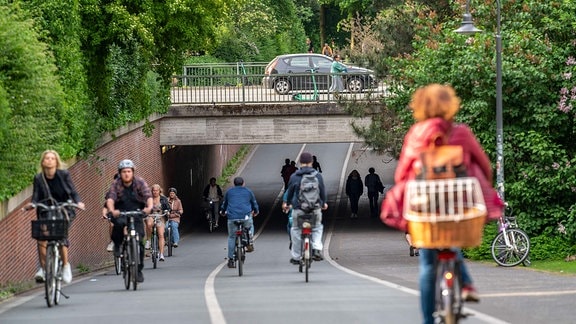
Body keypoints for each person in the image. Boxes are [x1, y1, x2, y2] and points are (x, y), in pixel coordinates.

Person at [380, 84, 503, 324]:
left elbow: (401, 175)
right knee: (451, 237)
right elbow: (483, 165)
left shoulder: (416, 134)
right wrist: (483, 189)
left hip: (425, 207)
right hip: (459, 205)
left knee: (427, 262)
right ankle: (466, 284)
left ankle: (428, 320)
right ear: (450, 105)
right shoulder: (462, 133)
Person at [28, 150, 85, 284]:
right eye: (46, 158)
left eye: (52, 158)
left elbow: (72, 191)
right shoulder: (38, 178)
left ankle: (65, 266)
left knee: (61, 236)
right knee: (41, 240)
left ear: (56, 161)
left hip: (63, 209)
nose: (49, 160)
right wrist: (32, 204)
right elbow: (36, 196)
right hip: (46, 210)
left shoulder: (63, 175)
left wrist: (78, 202)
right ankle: (43, 269)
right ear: (43, 162)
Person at [106, 159, 153, 283]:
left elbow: (148, 196)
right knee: (117, 227)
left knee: (140, 241)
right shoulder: (116, 184)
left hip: (137, 211)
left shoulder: (140, 182)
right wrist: (112, 210)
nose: (126, 174)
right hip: (121, 211)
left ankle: (138, 269)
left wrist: (149, 208)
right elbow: (110, 198)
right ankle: (117, 245)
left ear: (133, 172)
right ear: (120, 173)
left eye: (129, 171)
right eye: (124, 172)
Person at [282, 152, 328, 264]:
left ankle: (296, 256)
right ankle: (317, 248)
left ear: (300, 162)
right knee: (317, 227)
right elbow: (322, 192)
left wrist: (288, 203)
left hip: (299, 209)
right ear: (312, 162)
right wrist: (324, 203)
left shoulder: (294, 177)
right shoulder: (317, 176)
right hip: (314, 208)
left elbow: (290, 192)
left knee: (296, 230)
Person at [220, 177, 259, 268]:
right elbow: (254, 203)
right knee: (250, 225)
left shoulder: (229, 192)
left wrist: (222, 211)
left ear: (234, 184)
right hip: (245, 216)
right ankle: (249, 240)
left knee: (232, 237)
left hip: (232, 217)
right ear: (243, 183)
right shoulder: (248, 191)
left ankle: (231, 259)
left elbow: (225, 204)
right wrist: (256, 211)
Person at [145, 184, 170, 260]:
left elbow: (168, 207)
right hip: (151, 215)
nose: (155, 192)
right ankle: (148, 241)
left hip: (160, 216)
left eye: (156, 190)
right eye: (153, 190)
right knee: (149, 224)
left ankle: (161, 254)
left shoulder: (163, 199)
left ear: (159, 191)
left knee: (161, 234)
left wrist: (167, 211)